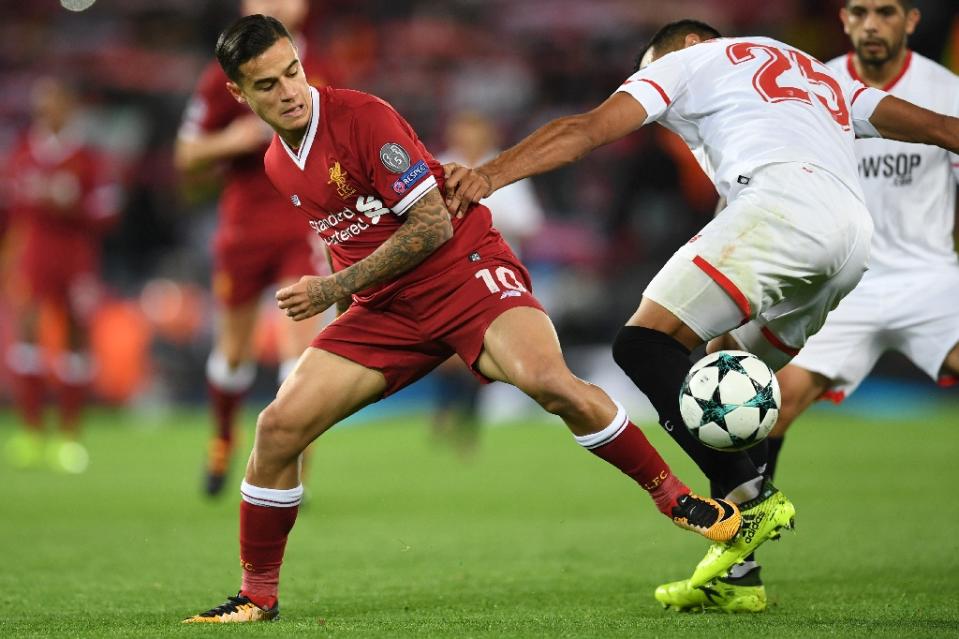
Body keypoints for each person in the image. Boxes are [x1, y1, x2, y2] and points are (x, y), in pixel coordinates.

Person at [184, 15, 752, 623]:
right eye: (267, 85)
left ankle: (676, 498)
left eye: (292, 71)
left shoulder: (362, 118)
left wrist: (335, 288)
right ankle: (257, 595)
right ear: (240, 95)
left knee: (549, 383)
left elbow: (429, 225)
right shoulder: (277, 163)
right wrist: (348, 304)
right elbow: (341, 237)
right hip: (385, 307)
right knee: (276, 428)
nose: (289, 90)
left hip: (464, 271)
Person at [444, 18, 959, 609]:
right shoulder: (810, 70)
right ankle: (737, 578)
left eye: (650, 69)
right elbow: (939, 128)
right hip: (850, 240)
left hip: (782, 206)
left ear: (686, 46)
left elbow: (586, 130)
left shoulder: (693, 60)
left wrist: (488, 174)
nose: (652, 94)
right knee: (726, 371)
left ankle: (751, 496)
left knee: (642, 345)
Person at [656, 0, 959, 613]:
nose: (872, 24)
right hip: (843, 282)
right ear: (844, 20)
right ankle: (738, 568)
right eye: (860, 12)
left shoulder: (944, 91)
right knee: (761, 400)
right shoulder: (808, 82)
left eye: (886, 12)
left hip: (931, 275)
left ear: (911, 22)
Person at [175, 0, 335, 496]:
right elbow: (186, 155)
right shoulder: (224, 74)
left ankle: (293, 465)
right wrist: (234, 139)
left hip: (300, 225)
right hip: (242, 230)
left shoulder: (326, 70)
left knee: (302, 354)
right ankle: (222, 441)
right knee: (233, 353)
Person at [1, 77, 119, 473]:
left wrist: (70, 204)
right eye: (41, 103)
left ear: (69, 107)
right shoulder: (21, 152)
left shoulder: (87, 157)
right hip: (32, 258)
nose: (45, 110)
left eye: (53, 103)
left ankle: (69, 436)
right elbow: (10, 208)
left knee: (74, 339)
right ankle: (33, 433)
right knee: (27, 337)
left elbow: (107, 212)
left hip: (75, 259)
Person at [431, 111, 545, 454]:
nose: (466, 135)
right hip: (448, 270)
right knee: (445, 349)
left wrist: (482, 214)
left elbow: (529, 223)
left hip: (495, 273)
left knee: (481, 348)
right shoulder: (437, 166)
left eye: (473, 128)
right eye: (462, 127)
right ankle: (447, 413)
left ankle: (466, 418)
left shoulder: (503, 171)